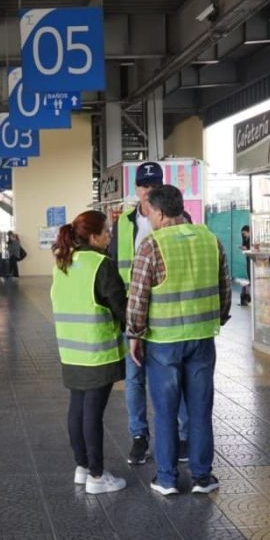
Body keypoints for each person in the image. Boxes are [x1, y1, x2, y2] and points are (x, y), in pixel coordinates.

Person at [126, 185, 231, 495]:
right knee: (199, 411)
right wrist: (217, 319)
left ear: (158, 213)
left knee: (166, 412)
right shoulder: (210, 239)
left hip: (163, 343)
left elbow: (138, 296)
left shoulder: (151, 244)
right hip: (202, 340)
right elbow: (224, 289)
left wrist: (135, 334)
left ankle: (168, 479)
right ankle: (202, 477)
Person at [108, 162, 192, 466]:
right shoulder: (125, 222)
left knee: (175, 376)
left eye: (153, 184)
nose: (148, 190)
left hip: (169, 312)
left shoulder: (183, 219)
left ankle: (183, 437)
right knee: (134, 378)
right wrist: (124, 312)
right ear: (137, 188)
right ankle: (139, 437)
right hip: (134, 310)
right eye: (144, 185)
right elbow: (114, 264)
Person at [51, 211, 128, 494]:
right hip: (98, 352)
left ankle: (82, 467)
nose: (109, 236)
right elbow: (122, 309)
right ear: (94, 237)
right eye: (106, 231)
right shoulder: (101, 265)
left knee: (78, 409)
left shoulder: (62, 264)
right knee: (93, 414)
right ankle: (97, 476)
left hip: (71, 351)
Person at [239, 225, 252, 306]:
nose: (243, 235)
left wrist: (246, 248)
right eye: (242, 234)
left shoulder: (252, 239)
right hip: (248, 258)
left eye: (244, 233)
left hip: (251, 258)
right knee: (249, 272)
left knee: (251, 272)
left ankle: (248, 297)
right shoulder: (245, 239)